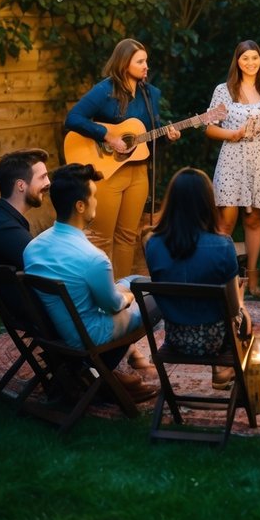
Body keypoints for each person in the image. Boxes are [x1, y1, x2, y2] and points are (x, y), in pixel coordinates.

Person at [23, 163, 159, 402]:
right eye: (94, 196)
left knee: (133, 280)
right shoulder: (93, 258)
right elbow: (115, 306)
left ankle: (136, 291)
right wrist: (128, 296)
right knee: (158, 295)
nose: (97, 201)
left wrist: (125, 287)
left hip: (56, 333)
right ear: (80, 205)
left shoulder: (33, 247)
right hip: (90, 339)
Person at [64, 37, 180, 279]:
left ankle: (123, 292)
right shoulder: (105, 90)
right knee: (101, 237)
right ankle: (99, 292)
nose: (146, 65)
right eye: (140, 61)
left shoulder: (150, 94)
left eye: (146, 61)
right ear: (124, 63)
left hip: (138, 173)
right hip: (108, 171)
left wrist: (168, 136)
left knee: (128, 236)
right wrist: (107, 136)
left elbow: (150, 136)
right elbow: (73, 118)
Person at [144, 167, 250, 382]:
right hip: (215, 341)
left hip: (175, 337)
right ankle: (221, 371)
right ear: (207, 203)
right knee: (244, 319)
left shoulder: (152, 243)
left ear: (172, 202)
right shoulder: (223, 245)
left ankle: (219, 372)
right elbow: (231, 309)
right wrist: (241, 300)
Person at [205, 39, 260, 299]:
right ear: (237, 61)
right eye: (245, 58)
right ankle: (223, 276)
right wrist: (234, 133)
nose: (251, 63)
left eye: (255, 58)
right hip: (232, 156)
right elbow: (209, 127)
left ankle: (252, 277)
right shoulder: (224, 90)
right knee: (226, 220)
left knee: (254, 219)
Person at [0, 149, 51, 268]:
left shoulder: (0, 218)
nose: (48, 182)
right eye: (42, 177)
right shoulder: (2, 227)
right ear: (21, 186)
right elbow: (47, 266)